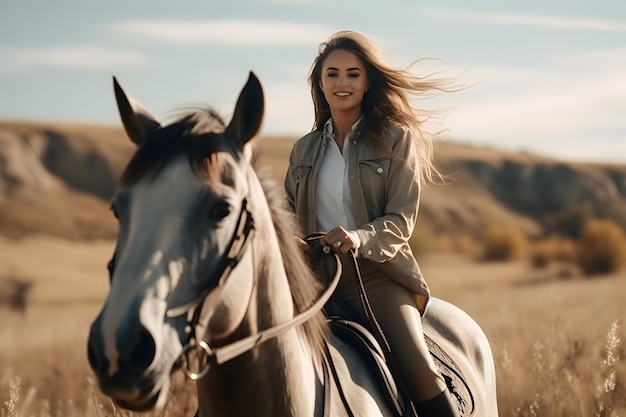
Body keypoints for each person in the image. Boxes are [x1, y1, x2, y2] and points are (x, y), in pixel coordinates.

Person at [284, 30, 460, 417]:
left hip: (377, 276)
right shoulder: (303, 149)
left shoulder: (396, 138)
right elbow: (287, 216)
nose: (341, 83)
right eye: (332, 74)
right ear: (320, 83)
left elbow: (400, 219)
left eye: (352, 74)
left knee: (419, 372)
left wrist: (359, 238)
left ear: (367, 82)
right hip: (311, 281)